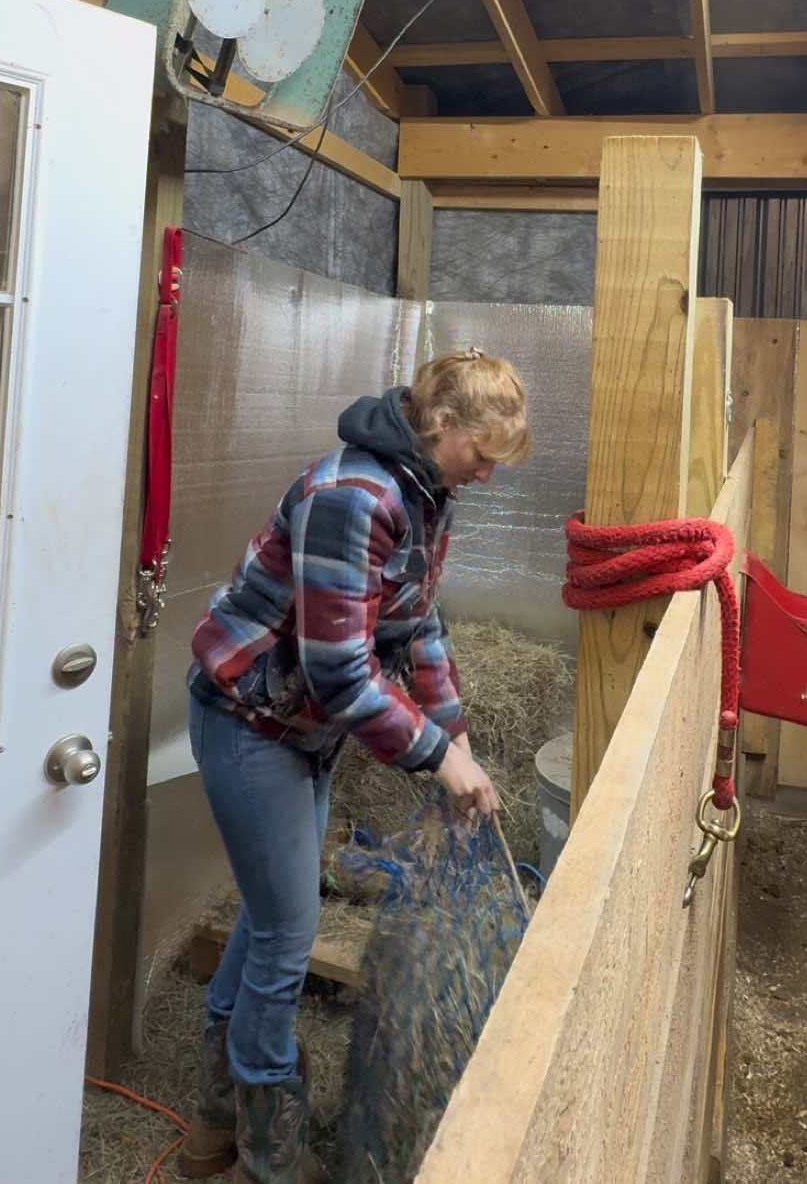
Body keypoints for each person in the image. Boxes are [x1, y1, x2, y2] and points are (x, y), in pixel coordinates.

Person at [178, 350, 529, 1184]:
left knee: (272, 918)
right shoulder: (355, 497)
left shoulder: (425, 493)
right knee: (289, 935)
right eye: (481, 452)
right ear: (441, 424)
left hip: (303, 728)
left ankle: (214, 1120)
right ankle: (268, 1148)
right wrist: (438, 759)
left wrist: (458, 734)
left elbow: (418, 625)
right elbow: (341, 669)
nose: (485, 473)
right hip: (251, 718)